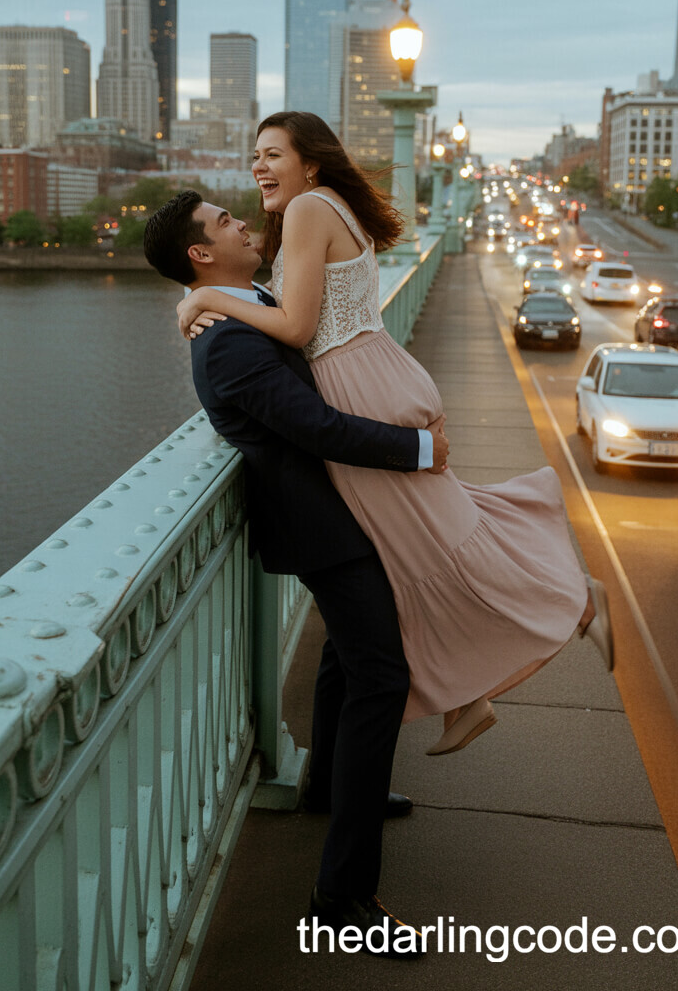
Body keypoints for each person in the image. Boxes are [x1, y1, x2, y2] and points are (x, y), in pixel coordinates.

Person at [176, 111, 613, 758]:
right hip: (373, 373)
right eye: (254, 157)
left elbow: (295, 326)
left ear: (312, 163)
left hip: (355, 382)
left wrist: (202, 301)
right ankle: (465, 692)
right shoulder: (324, 209)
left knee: (428, 545)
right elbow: (281, 299)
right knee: (415, 544)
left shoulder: (308, 211)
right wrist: (217, 293)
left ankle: (575, 602)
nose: (258, 168)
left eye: (272, 155)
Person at [143, 190, 446, 956]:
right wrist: (416, 450)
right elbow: (313, 424)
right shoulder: (230, 342)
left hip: (330, 517)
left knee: (348, 660)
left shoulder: (244, 306)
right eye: (223, 223)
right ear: (201, 256)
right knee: (381, 675)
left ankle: (326, 789)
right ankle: (342, 899)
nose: (244, 221)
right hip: (321, 528)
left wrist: (198, 300)